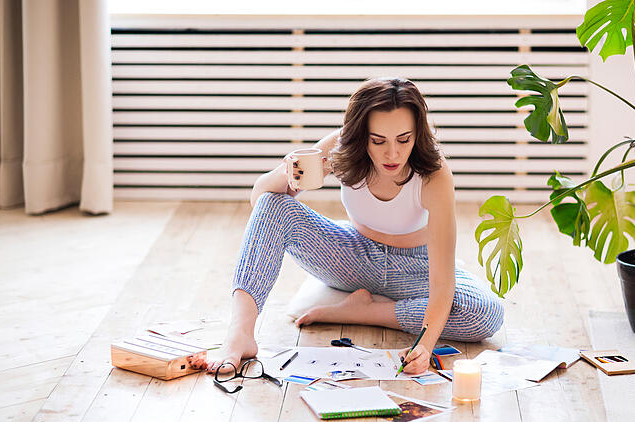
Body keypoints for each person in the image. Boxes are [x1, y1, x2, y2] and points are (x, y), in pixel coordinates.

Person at [198, 77, 504, 375]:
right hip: (351, 256)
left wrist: (424, 345)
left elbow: (441, 283)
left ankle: (363, 311)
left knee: (485, 313)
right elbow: (261, 200)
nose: (392, 153)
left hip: (415, 266)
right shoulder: (341, 146)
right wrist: (288, 172)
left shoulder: (435, 175)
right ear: (361, 134)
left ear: (417, 134)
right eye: (378, 140)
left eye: (404, 139)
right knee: (273, 204)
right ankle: (240, 333)